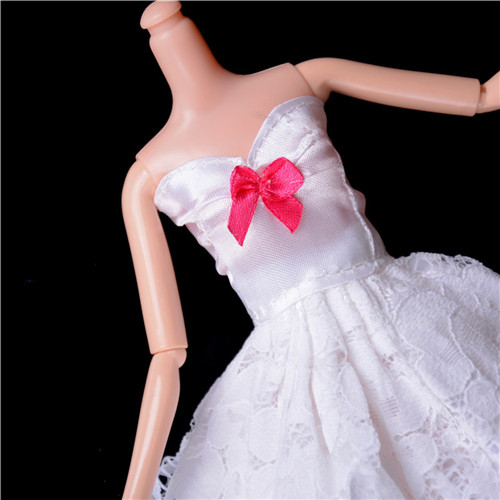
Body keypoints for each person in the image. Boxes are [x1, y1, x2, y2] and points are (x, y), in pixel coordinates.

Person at [122, 2, 500, 498]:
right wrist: (136, 488)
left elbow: (482, 96)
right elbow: (167, 353)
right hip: (293, 357)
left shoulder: (302, 78)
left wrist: (485, 95)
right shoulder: (148, 176)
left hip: (393, 307)